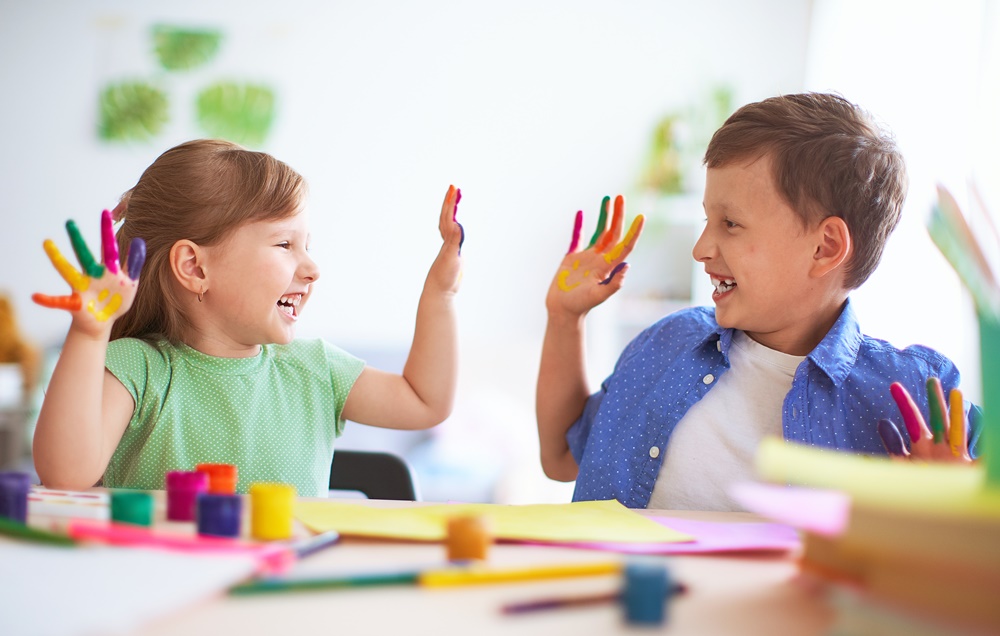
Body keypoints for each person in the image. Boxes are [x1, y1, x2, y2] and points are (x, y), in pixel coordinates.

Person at [536, 92, 983, 511]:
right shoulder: (666, 345)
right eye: (708, 220)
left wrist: (967, 499)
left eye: (730, 223)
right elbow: (561, 457)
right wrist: (564, 318)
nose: (701, 249)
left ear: (824, 248)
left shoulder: (919, 398)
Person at [32, 139, 463, 496]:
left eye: (307, 244)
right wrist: (90, 333)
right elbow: (65, 475)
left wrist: (440, 294)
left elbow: (424, 402)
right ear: (196, 268)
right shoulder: (138, 369)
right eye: (284, 245)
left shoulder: (315, 370)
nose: (312, 269)